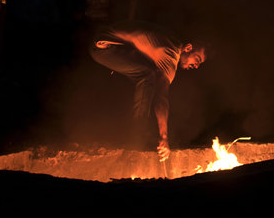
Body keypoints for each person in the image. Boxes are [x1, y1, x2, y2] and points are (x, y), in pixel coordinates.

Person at [88, 20, 208, 162]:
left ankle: (120, 131)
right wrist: (164, 137)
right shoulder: (170, 55)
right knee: (147, 76)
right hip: (103, 47)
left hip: (105, 40)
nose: (196, 66)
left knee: (146, 74)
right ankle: (135, 140)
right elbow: (161, 99)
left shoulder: (171, 39)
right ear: (188, 48)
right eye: (197, 59)